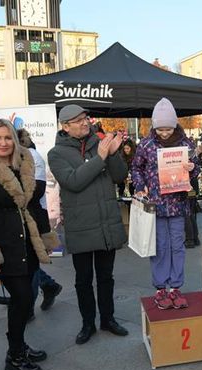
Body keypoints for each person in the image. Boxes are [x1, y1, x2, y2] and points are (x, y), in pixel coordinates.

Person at [0, 119, 59, 370]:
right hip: (3, 246)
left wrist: (45, 239)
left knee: (26, 296)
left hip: (26, 242)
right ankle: (14, 355)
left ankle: (19, 346)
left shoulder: (22, 165)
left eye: (7, 138)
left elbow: (34, 206)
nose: (3, 143)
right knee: (22, 299)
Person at [47, 104, 129, 345]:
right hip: (80, 226)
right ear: (65, 126)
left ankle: (108, 319)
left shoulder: (99, 144)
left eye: (85, 118)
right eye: (77, 120)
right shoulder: (56, 153)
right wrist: (101, 157)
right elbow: (73, 181)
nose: (85, 123)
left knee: (106, 277)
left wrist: (113, 154)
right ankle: (87, 324)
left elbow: (119, 176)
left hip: (106, 225)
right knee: (83, 280)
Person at [131, 98, 200, 309]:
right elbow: (136, 168)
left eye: (168, 129)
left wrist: (191, 168)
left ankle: (176, 287)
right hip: (156, 205)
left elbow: (195, 169)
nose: (164, 133)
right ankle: (161, 288)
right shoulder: (146, 144)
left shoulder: (186, 143)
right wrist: (140, 186)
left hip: (178, 204)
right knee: (160, 247)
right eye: (160, 129)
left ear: (174, 125)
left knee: (177, 246)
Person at [16, 128, 63, 317]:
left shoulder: (32, 156)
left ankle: (28, 307)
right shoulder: (15, 157)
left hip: (34, 214)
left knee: (30, 261)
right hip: (21, 216)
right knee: (27, 261)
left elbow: (37, 190)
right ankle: (48, 285)